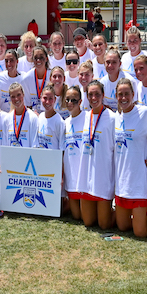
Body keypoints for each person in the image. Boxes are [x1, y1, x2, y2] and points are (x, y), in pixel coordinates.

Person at [113, 78, 147, 238]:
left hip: (138, 181)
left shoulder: (143, 113)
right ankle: (145, 216)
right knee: (123, 227)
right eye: (120, 94)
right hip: (122, 183)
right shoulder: (116, 117)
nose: (123, 98)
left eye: (126, 94)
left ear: (133, 94)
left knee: (140, 232)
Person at [76, 81, 115, 229]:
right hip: (86, 177)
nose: (93, 98)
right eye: (90, 94)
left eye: (97, 94)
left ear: (103, 95)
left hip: (103, 178)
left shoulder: (112, 118)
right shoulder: (85, 117)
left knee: (104, 225)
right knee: (88, 223)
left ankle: (123, 214)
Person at [62, 86, 86, 219]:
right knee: (76, 217)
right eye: (67, 100)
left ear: (80, 102)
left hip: (83, 176)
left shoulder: (88, 118)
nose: (70, 103)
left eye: (74, 100)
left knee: (85, 217)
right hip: (71, 175)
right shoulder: (65, 123)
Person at [3, 83, 39, 147]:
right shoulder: (7, 119)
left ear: (23, 94)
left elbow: (35, 145)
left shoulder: (33, 117)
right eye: (13, 97)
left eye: (18, 95)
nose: (16, 99)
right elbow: (5, 145)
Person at [22, 45, 51, 113]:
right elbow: (27, 105)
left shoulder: (52, 76)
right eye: (36, 58)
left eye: (41, 57)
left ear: (46, 58)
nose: (38, 60)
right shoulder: (26, 79)